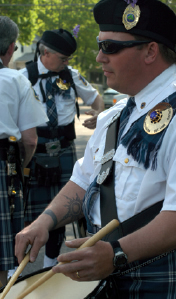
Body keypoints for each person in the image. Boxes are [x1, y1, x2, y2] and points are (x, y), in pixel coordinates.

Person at [15, 0, 176, 297]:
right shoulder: (115, 115)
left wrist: (115, 255)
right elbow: (85, 179)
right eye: (101, 46)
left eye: (110, 47)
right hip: (108, 274)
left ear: (151, 51)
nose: (100, 57)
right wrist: (44, 222)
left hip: (160, 279)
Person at [17, 28, 104, 269]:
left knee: (61, 208)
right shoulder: (23, 78)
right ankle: (20, 265)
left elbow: (96, 99)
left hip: (64, 149)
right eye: (63, 58)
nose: (66, 63)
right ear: (45, 53)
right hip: (35, 151)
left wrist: (98, 113)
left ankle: (50, 263)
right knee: (30, 210)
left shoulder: (71, 76)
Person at [0, 16, 48, 286]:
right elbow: (30, 140)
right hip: (5, 171)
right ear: (10, 48)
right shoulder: (15, 80)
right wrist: (21, 169)